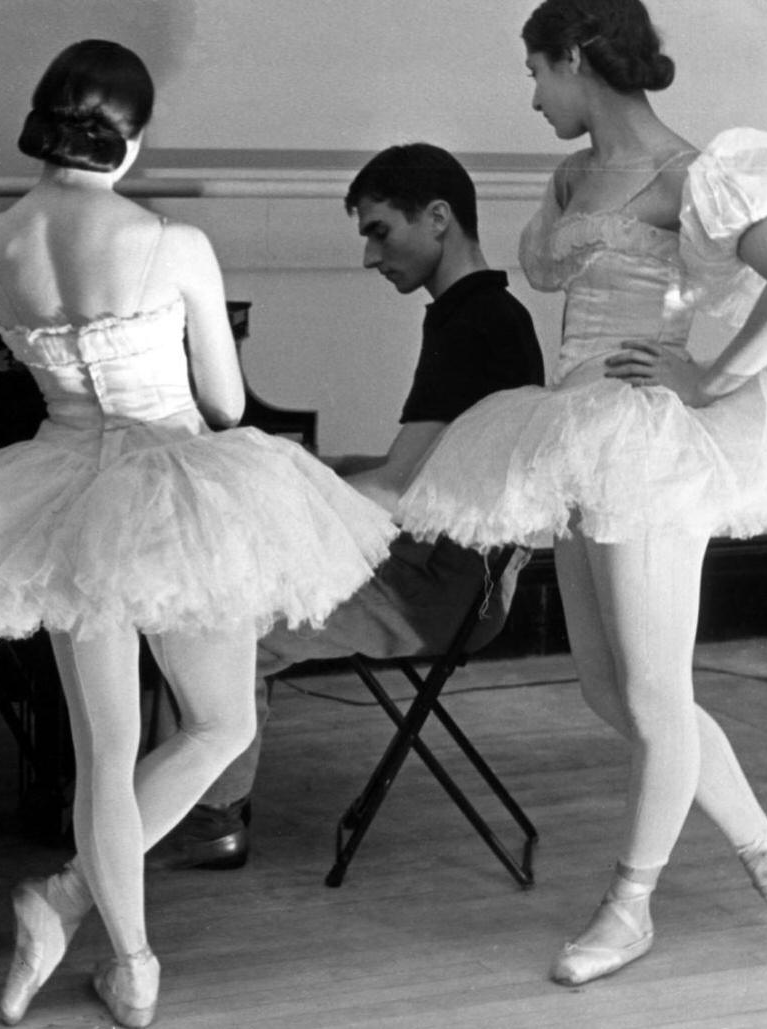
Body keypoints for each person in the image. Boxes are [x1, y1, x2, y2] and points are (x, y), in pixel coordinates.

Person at [0, 39, 395, 1028]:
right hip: (166, 485)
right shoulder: (172, 242)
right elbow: (222, 397)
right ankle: (78, 910)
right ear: (131, 139)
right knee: (220, 723)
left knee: (105, 748)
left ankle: (119, 948)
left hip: (59, 485)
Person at [397, 0, 767, 986]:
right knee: (614, 691)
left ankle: (629, 906)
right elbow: (550, 268)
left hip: (643, 443)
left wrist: (713, 376)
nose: (529, 95)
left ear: (574, 57)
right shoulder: (573, 171)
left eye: (535, 72)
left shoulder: (695, 175)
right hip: (571, 434)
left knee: (652, 696)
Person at [147, 143, 545, 871]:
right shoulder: (478, 312)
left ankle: (210, 818)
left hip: (447, 588)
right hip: (441, 558)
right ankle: (182, 795)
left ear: (438, 218)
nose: (369, 256)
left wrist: (269, 493)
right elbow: (424, 469)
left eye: (379, 231)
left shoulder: (477, 325)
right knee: (278, 504)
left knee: (226, 616)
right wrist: (300, 473)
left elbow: (397, 491)